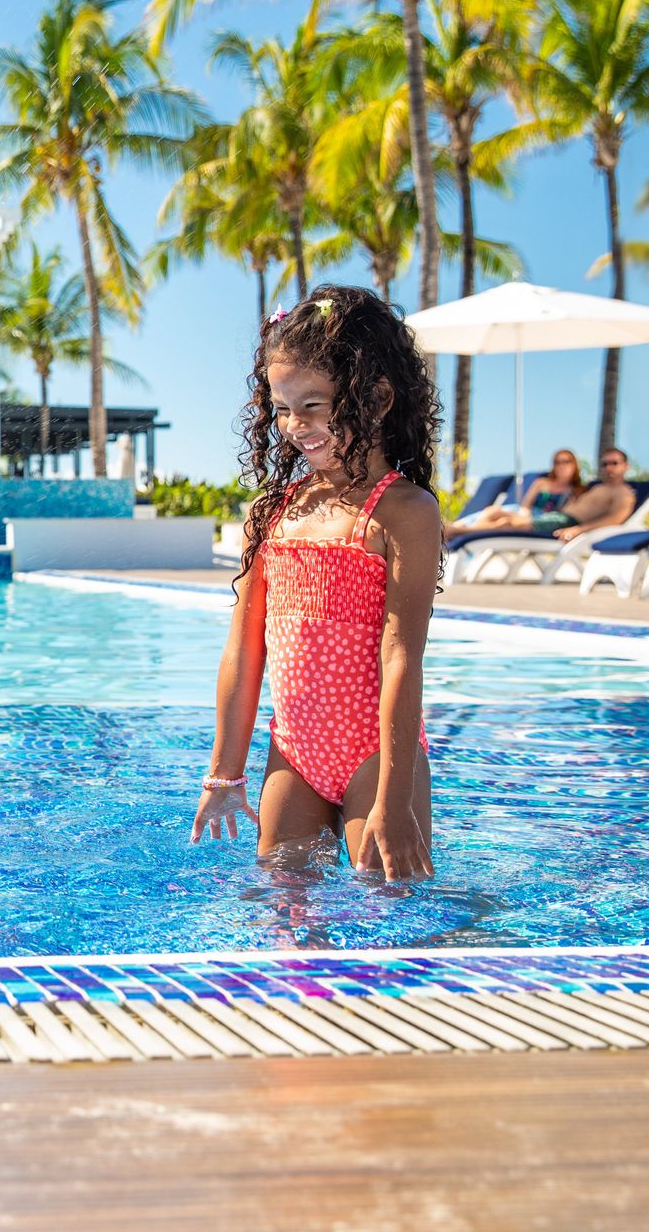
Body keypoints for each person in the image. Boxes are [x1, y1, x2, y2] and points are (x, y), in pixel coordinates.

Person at [194, 286, 443, 883]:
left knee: (393, 906)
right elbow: (243, 649)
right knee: (279, 907)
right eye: (282, 408)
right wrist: (225, 775)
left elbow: (402, 655)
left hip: (375, 756)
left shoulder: (404, 511)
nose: (294, 425)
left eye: (313, 405)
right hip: (295, 753)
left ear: (376, 398)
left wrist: (395, 798)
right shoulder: (275, 510)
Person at [443, 449, 585, 542]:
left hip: (543, 520)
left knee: (503, 523)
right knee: (492, 511)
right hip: (525, 513)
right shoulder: (542, 482)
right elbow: (526, 504)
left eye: (566, 461)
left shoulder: (576, 491)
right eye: (558, 462)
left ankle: (457, 530)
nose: (562, 465)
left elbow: (564, 516)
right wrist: (525, 514)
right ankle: (458, 529)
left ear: (574, 464)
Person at [550, 448, 637, 543]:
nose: (608, 468)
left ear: (626, 466)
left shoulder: (623, 492)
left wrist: (578, 530)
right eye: (605, 464)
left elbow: (615, 520)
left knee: (530, 524)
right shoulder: (597, 487)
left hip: (567, 523)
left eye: (614, 463)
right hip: (557, 516)